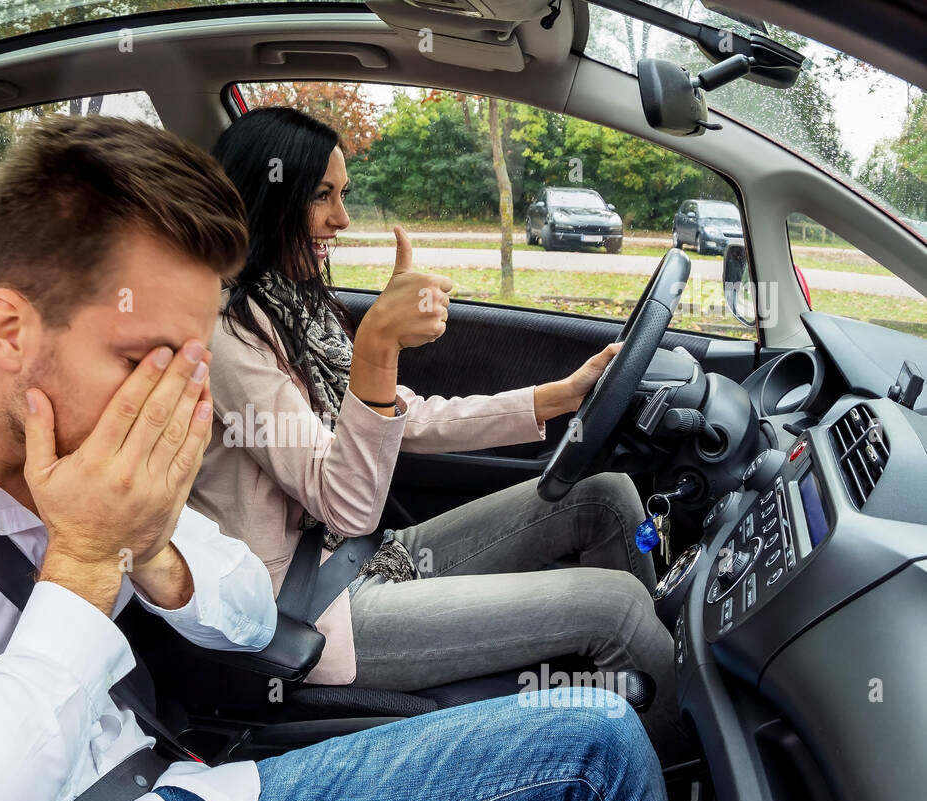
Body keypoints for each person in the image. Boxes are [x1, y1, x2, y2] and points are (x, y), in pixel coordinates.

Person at [0, 114, 685, 801]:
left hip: (187, 790)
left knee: (587, 713)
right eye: (149, 358)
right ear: (12, 330)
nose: (186, 396)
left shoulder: (95, 412)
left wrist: (153, 549)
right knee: (591, 745)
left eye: (194, 356)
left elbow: (240, 608)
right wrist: (85, 557)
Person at [193, 106, 692, 764]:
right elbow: (344, 500)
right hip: (307, 612)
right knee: (619, 609)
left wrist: (560, 396)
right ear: (268, 196)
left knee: (604, 498)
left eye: (342, 194)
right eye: (322, 196)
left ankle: (656, 696)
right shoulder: (227, 335)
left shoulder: (292, 308)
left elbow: (408, 418)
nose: (342, 218)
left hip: (363, 559)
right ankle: (673, 777)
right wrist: (376, 347)